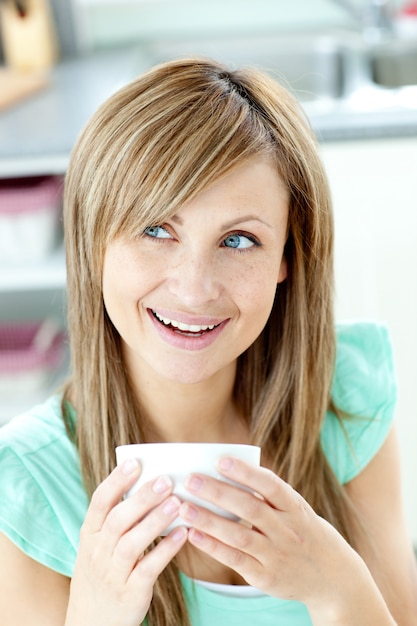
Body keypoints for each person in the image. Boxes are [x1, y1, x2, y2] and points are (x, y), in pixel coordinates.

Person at [0, 57, 416, 626]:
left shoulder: (348, 397)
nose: (194, 290)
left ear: (287, 260)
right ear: (93, 242)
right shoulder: (24, 486)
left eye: (239, 240)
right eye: (155, 229)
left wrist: (338, 588)